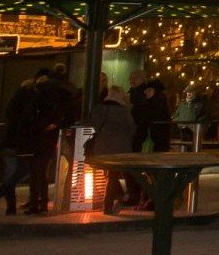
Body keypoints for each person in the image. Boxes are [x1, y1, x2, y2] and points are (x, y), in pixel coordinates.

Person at [25, 67, 79, 215]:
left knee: (36, 170)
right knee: (42, 170)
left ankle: (36, 202)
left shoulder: (39, 95)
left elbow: (29, 114)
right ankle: (42, 202)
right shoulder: (64, 96)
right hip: (50, 136)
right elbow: (69, 115)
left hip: (36, 135)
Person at [0, 76, 38, 216]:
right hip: (20, 143)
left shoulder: (15, 103)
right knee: (23, 171)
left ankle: (10, 207)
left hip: (9, 142)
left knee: (11, 173)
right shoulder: (29, 103)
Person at [82, 82, 138, 214]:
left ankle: (112, 202)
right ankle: (113, 202)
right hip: (122, 147)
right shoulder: (124, 110)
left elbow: (91, 124)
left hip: (103, 146)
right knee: (113, 175)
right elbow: (132, 128)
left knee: (110, 175)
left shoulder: (100, 108)